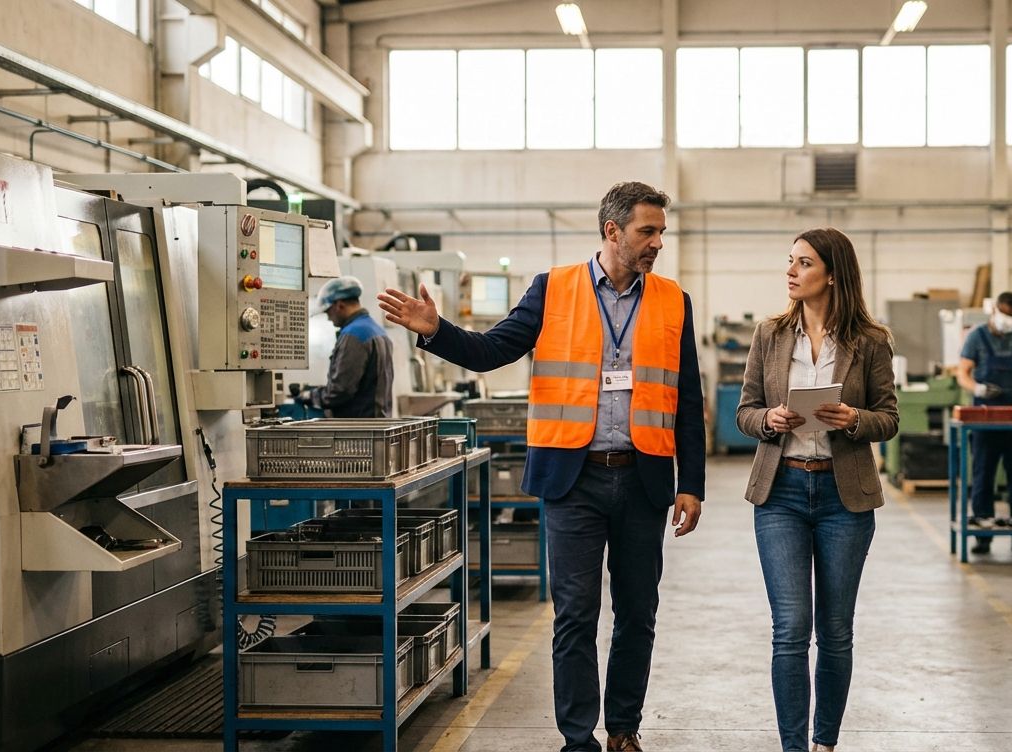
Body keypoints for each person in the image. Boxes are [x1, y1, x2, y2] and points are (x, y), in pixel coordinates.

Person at [377, 181, 705, 752]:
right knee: (575, 614)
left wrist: (692, 484)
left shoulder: (674, 299)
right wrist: (435, 331)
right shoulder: (554, 289)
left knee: (637, 613)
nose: (656, 242)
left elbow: (689, 398)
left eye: (661, 232)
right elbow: (491, 349)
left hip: (644, 478)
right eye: (646, 231)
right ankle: (577, 739)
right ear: (612, 230)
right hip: (572, 479)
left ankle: (623, 731)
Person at [735, 228, 899, 752]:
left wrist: (853, 418)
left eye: (803, 263)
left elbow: (889, 419)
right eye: (790, 261)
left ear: (831, 273)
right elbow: (744, 411)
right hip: (780, 492)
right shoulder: (770, 335)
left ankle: (824, 743)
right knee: (790, 628)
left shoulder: (870, 341)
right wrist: (770, 418)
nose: (791, 271)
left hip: (842, 498)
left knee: (834, 630)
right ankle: (793, 747)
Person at [956, 291, 1012, 555]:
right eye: (1005, 315)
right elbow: (963, 373)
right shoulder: (977, 337)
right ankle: (983, 535)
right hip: (984, 417)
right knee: (983, 473)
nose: (1009, 320)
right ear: (995, 310)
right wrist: (979, 389)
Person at [297, 275, 394, 418]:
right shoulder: (376, 330)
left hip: (359, 430)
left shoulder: (354, 335)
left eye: (328, 312)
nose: (328, 318)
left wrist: (309, 396)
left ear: (339, 305)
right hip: (377, 423)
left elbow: (340, 391)